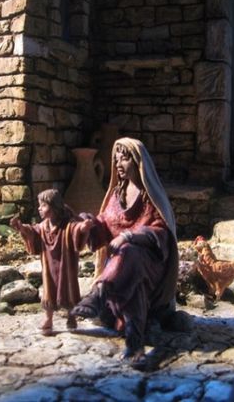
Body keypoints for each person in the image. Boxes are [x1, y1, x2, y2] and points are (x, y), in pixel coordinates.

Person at [71, 137, 179, 366]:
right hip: (125, 269)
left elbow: (162, 234)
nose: (118, 164)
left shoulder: (151, 196)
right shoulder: (116, 195)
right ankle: (135, 345)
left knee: (131, 253)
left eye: (124, 158)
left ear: (138, 162)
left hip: (152, 265)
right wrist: (88, 224)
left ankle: (99, 294)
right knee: (133, 281)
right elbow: (104, 225)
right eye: (116, 159)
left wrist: (129, 236)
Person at [10, 189, 93, 336]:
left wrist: (83, 227)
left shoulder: (67, 224)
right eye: (39, 205)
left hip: (66, 265)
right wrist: (21, 228)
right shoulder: (43, 226)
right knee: (49, 290)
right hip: (49, 265)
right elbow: (33, 231)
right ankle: (48, 319)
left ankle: (71, 316)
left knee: (68, 288)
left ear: (54, 207)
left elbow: (75, 228)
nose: (39, 208)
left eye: (43, 205)